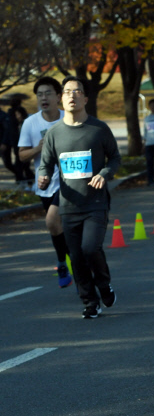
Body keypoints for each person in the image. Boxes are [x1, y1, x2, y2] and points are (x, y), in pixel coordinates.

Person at [38, 76, 121, 319]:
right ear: (61, 99)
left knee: (90, 248)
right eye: (67, 92)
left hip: (95, 202)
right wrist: (43, 177)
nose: (72, 96)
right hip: (68, 205)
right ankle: (89, 301)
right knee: (76, 256)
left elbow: (115, 158)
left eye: (77, 91)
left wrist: (104, 174)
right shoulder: (54, 133)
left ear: (85, 98)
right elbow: (46, 165)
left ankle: (104, 285)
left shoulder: (99, 129)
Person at [18, 78, 72, 288]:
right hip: (45, 183)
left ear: (58, 96)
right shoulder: (31, 123)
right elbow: (22, 155)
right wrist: (39, 148)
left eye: (48, 93)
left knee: (52, 221)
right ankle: (64, 262)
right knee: (56, 227)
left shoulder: (68, 119)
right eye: (40, 94)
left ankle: (74, 264)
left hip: (69, 181)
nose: (43, 98)